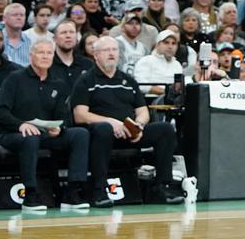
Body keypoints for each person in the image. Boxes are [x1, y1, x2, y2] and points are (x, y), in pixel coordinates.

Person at [72, 36, 184, 206]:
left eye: (114, 50)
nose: (111, 54)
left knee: (165, 129)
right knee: (103, 129)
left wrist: (138, 125)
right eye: (106, 50)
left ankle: (161, 186)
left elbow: (143, 111)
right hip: (103, 134)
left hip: (130, 132)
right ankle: (99, 190)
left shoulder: (128, 80)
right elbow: (80, 115)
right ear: (95, 55)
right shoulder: (86, 80)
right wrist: (111, 122)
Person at [0, 39, 90, 211]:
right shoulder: (15, 79)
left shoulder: (58, 84)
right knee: (31, 137)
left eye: (49, 53)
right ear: (31, 56)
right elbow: (0, 112)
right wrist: (20, 124)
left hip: (44, 134)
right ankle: (30, 194)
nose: (45, 56)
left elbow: (63, 116)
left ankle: (72, 192)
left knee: (80, 134)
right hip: (11, 133)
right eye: (41, 53)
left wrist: (59, 128)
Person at [133, 30, 186, 96]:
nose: (170, 47)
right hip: (150, 100)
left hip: (174, 101)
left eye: (173, 43)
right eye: (166, 43)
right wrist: (165, 92)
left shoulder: (177, 65)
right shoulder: (146, 61)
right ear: (157, 45)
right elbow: (141, 86)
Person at [50, 19, 93, 91]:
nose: (68, 36)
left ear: (76, 38)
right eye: (63, 33)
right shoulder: (46, 65)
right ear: (54, 39)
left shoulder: (88, 64)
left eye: (72, 32)